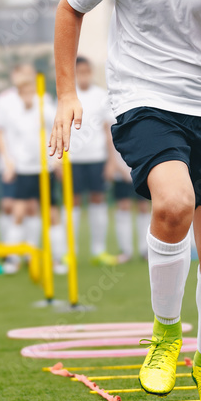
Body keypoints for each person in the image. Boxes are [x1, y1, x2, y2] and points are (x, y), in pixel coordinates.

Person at [52, 0, 201, 401]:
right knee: (173, 202)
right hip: (144, 102)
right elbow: (70, 8)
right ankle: (166, 335)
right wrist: (67, 94)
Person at [0, 71, 68, 275]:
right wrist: (10, 165)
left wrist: (58, 162)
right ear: (19, 94)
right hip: (25, 170)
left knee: (52, 214)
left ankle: (57, 259)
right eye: (24, 92)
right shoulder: (14, 115)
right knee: (18, 212)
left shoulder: (45, 110)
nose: (28, 95)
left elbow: (58, 132)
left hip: (44, 169)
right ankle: (12, 259)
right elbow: (11, 141)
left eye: (32, 91)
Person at [68, 56, 117, 264]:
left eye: (86, 71)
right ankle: (70, 252)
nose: (83, 76)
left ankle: (99, 251)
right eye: (79, 72)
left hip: (97, 158)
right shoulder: (67, 97)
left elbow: (108, 131)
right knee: (73, 203)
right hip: (72, 159)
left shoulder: (101, 96)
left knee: (98, 200)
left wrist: (111, 161)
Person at [0, 65, 36, 252]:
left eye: (29, 73)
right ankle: (8, 250)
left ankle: (30, 252)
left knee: (32, 206)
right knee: (8, 205)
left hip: (35, 164)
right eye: (21, 73)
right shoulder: (3, 100)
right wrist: (7, 160)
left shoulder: (43, 98)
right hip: (11, 162)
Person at [110, 144, 151, 263]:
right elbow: (109, 141)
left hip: (142, 170)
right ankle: (125, 251)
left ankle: (146, 250)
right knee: (123, 207)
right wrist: (116, 166)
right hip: (120, 172)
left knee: (143, 207)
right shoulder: (111, 124)